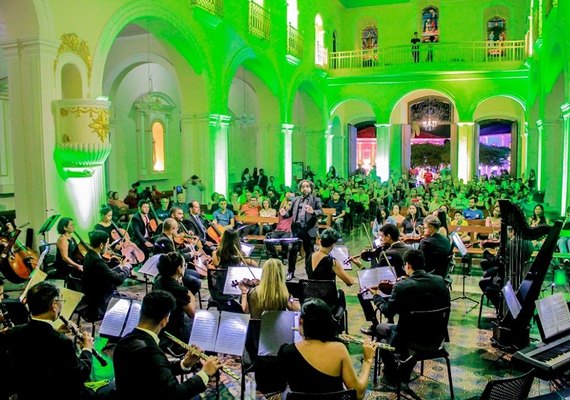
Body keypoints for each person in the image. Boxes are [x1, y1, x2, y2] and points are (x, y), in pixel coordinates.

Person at [113, 290, 222, 400]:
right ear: (164, 320)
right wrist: (205, 373)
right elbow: (174, 394)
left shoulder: (124, 341)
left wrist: (184, 363)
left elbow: (155, 371)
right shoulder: (151, 352)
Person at [369, 250, 450, 385]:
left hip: (410, 340)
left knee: (380, 333)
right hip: (436, 337)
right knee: (405, 329)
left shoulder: (402, 286)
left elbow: (388, 313)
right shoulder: (439, 281)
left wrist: (376, 296)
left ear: (408, 265)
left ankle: (392, 375)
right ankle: (404, 369)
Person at [3, 281, 94, 400]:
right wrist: (87, 349)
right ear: (54, 305)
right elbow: (78, 377)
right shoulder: (63, 343)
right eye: (61, 301)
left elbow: (37, 342)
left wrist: (56, 331)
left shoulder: (13, 332)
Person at [278, 298, 376, 399]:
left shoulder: (286, 352)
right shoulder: (339, 349)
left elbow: (278, 386)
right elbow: (358, 394)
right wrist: (367, 360)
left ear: (300, 321)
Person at [82, 230, 132, 320]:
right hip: (100, 300)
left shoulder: (89, 255)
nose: (108, 246)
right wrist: (126, 268)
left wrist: (119, 267)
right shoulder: (97, 261)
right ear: (101, 245)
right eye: (107, 244)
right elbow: (118, 280)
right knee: (130, 305)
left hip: (94, 293)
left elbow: (105, 273)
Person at [281, 179, 323, 281]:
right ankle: (290, 272)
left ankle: (310, 273)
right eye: (303, 187)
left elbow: (320, 211)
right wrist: (284, 214)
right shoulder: (295, 199)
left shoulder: (316, 200)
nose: (305, 188)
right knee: (292, 251)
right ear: (300, 189)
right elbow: (289, 213)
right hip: (296, 230)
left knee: (309, 252)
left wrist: (313, 211)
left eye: (307, 186)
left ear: (311, 188)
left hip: (310, 229)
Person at [153, 252, 196, 345]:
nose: (185, 267)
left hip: (159, 327)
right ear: (179, 269)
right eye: (184, 265)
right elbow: (192, 313)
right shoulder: (178, 290)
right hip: (175, 330)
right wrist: (190, 295)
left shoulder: (157, 281)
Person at [153, 218, 203, 295]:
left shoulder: (168, 237)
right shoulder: (165, 241)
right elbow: (176, 258)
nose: (178, 231)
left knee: (196, 274)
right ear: (171, 230)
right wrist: (191, 254)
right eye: (176, 228)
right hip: (169, 273)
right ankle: (183, 298)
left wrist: (191, 246)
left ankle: (183, 293)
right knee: (196, 283)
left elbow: (177, 252)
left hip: (173, 269)